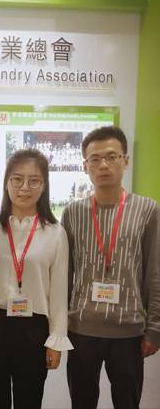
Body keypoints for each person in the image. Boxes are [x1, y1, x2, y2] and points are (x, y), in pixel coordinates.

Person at [61, 126, 160, 409]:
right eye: (95, 159)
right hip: (82, 329)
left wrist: (154, 328)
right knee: (82, 402)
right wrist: (59, 326)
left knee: (127, 402)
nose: (103, 165)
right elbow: (65, 275)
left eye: (112, 156)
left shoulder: (148, 210)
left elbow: (154, 272)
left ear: (125, 161)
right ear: (85, 166)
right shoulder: (73, 212)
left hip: (128, 331)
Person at [0, 149, 72, 409]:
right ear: (6, 182)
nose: (25, 187)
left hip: (34, 329)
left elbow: (59, 292)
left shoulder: (55, 232)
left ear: (44, 186)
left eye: (34, 180)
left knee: (30, 400)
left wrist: (56, 339)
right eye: (17, 179)